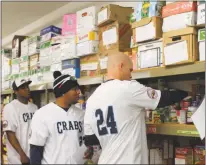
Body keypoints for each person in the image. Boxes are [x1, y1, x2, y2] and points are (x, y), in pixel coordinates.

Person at [84, 52, 188, 164]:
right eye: (130, 70)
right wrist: (186, 92)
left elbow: (90, 139)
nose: (131, 75)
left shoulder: (92, 98)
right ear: (121, 66)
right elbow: (163, 98)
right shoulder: (128, 87)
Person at [29, 71, 87, 164]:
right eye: (74, 89)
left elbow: (85, 141)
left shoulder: (81, 114)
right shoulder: (42, 114)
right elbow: (36, 149)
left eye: (78, 88)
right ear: (63, 92)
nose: (78, 92)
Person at [2, 79, 38, 164]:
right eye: (23, 87)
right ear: (16, 91)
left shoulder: (34, 107)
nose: (27, 89)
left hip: (32, 155)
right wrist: (22, 154)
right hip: (18, 158)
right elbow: (10, 133)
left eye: (27, 86)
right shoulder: (10, 108)